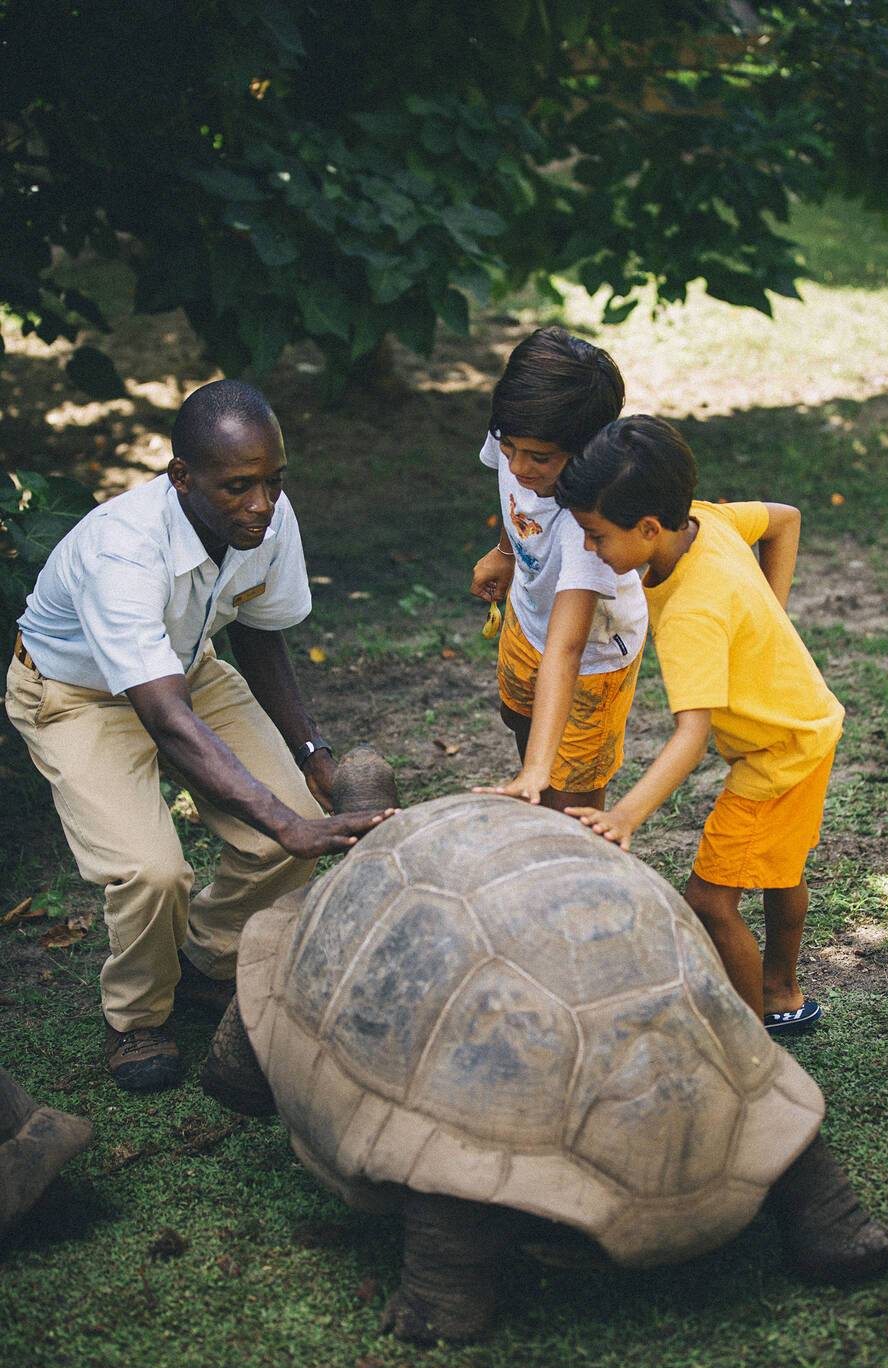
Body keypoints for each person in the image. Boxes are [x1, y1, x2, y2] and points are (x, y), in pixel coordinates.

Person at [5, 380, 391, 1092]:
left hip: (184, 666)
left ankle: (204, 959)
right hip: (77, 693)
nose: (261, 505)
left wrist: (311, 756)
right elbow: (168, 723)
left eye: (274, 482)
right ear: (181, 476)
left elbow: (260, 630)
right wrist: (276, 818)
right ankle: (138, 1016)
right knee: (153, 872)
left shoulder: (265, 515)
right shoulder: (123, 551)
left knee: (302, 820)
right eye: (239, 487)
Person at [555, 415, 844, 1032]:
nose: (588, 550)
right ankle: (781, 991)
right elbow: (785, 518)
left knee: (710, 902)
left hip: (776, 756)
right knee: (781, 867)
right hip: (809, 723)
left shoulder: (691, 612)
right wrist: (770, 613)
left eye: (596, 535)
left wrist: (624, 815)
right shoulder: (706, 520)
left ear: (649, 528)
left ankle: (749, 1041)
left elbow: (690, 735)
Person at [470, 328, 648, 811]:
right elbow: (513, 496)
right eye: (510, 450)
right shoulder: (518, 437)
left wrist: (534, 771)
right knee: (519, 718)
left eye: (539, 458)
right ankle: (540, 778)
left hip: (591, 656)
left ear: (587, 450)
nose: (520, 466)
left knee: (573, 803)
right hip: (527, 617)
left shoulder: (589, 528)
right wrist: (506, 552)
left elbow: (567, 649)